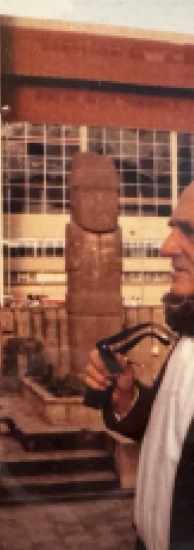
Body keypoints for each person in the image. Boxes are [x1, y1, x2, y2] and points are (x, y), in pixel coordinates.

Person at [84, 181, 194, 550]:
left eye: (189, 232)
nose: (167, 248)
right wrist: (126, 398)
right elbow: (173, 439)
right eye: (173, 229)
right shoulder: (185, 338)